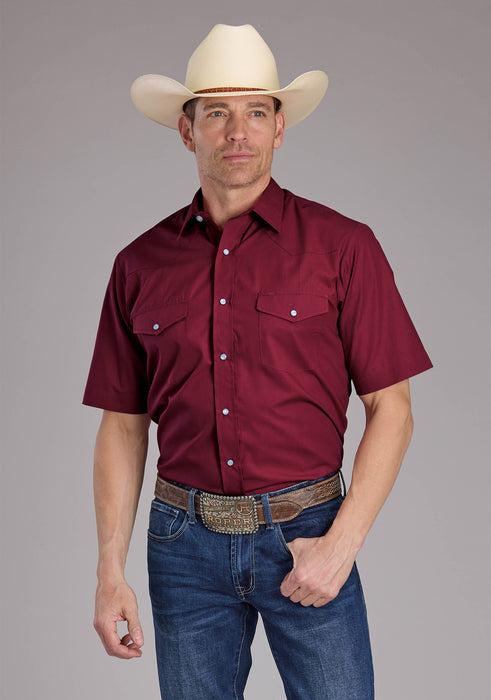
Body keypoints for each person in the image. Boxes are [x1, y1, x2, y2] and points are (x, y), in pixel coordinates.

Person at [83, 23, 432, 700]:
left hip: (308, 533)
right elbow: (122, 425)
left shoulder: (343, 247)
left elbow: (392, 408)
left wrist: (341, 544)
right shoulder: (138, 264)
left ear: (279, 128)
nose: (237, 132)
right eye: (216, 113)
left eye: (256, 113)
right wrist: (108, 571)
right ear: (187, 132)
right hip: (182, 548)